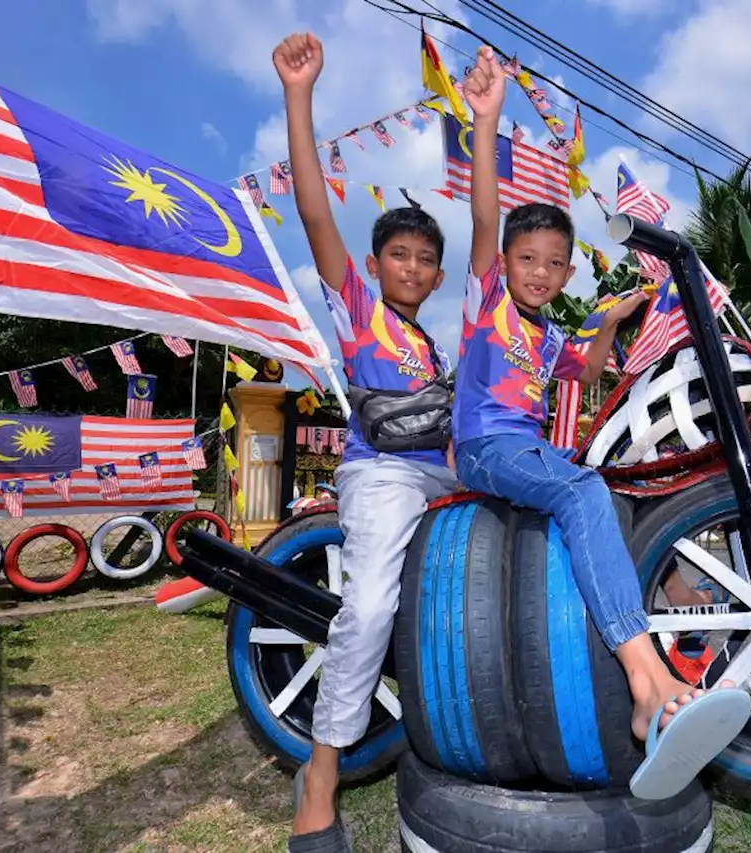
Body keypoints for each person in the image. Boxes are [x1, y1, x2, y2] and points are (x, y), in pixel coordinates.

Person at [454, 46, 751, 801]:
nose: (540, 272)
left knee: (605, 487)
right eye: (528, 258)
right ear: (506, 261)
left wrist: (613, 319)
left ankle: (657, 681)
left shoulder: (549, 333)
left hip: (526, 448)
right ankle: (645, 679)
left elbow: (588, 372)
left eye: (555, 263)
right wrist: (485, 122)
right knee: (584, 490)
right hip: (486, 449)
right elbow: (485, 212)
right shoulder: (486, 300)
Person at [273, 32, 458, 850]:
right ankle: (320, 770)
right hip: (380, 473)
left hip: (443, 478)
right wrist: (299, 93)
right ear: (378, 262)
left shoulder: (438, 347)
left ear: (437, 275)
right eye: (399, 254)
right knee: (372, 601)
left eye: (425, 259)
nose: (412, 268)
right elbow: (314, 209)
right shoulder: (358, 309)